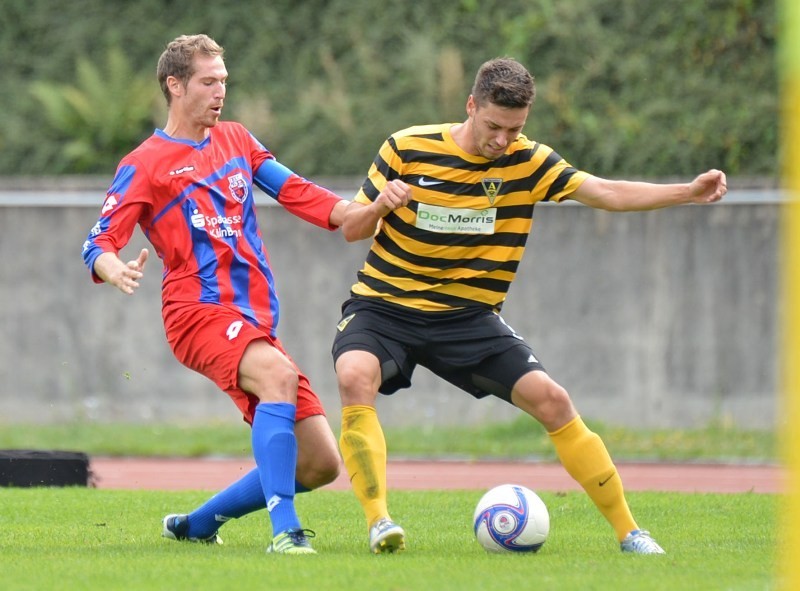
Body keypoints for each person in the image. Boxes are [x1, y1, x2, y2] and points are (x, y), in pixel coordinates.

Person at [332, 57, 727, 555]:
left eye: (514, 129)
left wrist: (687, 193)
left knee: (553, 400)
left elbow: (605, 192)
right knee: (354, 376)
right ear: (471, 106)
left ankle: (631, 533)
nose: (502, 140)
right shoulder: (406, 146)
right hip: (386, 308)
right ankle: (379, 523)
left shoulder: (531, 161)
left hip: (468, 318)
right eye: (493, 126)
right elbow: (351, 229)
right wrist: (379, 206)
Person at [82, 34, 351, 555]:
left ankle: (198, 524)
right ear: (175, 85)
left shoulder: (236, 139)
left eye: (223, 81)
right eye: (208, 81)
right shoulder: (145, 162)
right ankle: (286, 533)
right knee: (278, 377)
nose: (220, 91)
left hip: (254, 317)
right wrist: (113, 267)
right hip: (195, 311)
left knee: (320, 463)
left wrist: (358, 211)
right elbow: (98, 241)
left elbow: (295, 190)